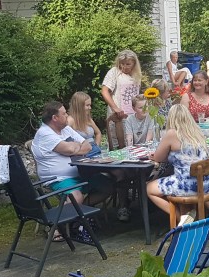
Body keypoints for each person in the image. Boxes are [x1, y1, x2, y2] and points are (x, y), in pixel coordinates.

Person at [31, 101, 95, 240]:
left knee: (106, 184)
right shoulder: (45, 134)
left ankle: (78, 215)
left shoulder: (65, 129)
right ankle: (54, 227)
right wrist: (74, 147)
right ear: (55, 118)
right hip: (57, 178)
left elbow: (88, 146)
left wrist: (72, 148)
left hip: (79, 172)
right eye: (64, 114)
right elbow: (70, 149)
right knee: (76, 196)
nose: (67, 116)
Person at [146, 104, 209, 225]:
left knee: (149, 188)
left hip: (188, 185)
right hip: (207, 183)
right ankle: (189, 215)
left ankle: (183, 221)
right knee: (177, 178)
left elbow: (158, 158)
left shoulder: (172, 133)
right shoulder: (196, 131)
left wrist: (155, 156)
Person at [101, 50, 141, 149]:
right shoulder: (114, 72)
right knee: (118, 146)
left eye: (128, 64)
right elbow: (104, 91)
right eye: (122, 63)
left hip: (133, 116)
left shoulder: (137, 75)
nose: (124, 67)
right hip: (118, 116)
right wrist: (115, 108)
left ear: (134, 63)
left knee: (133, 145)